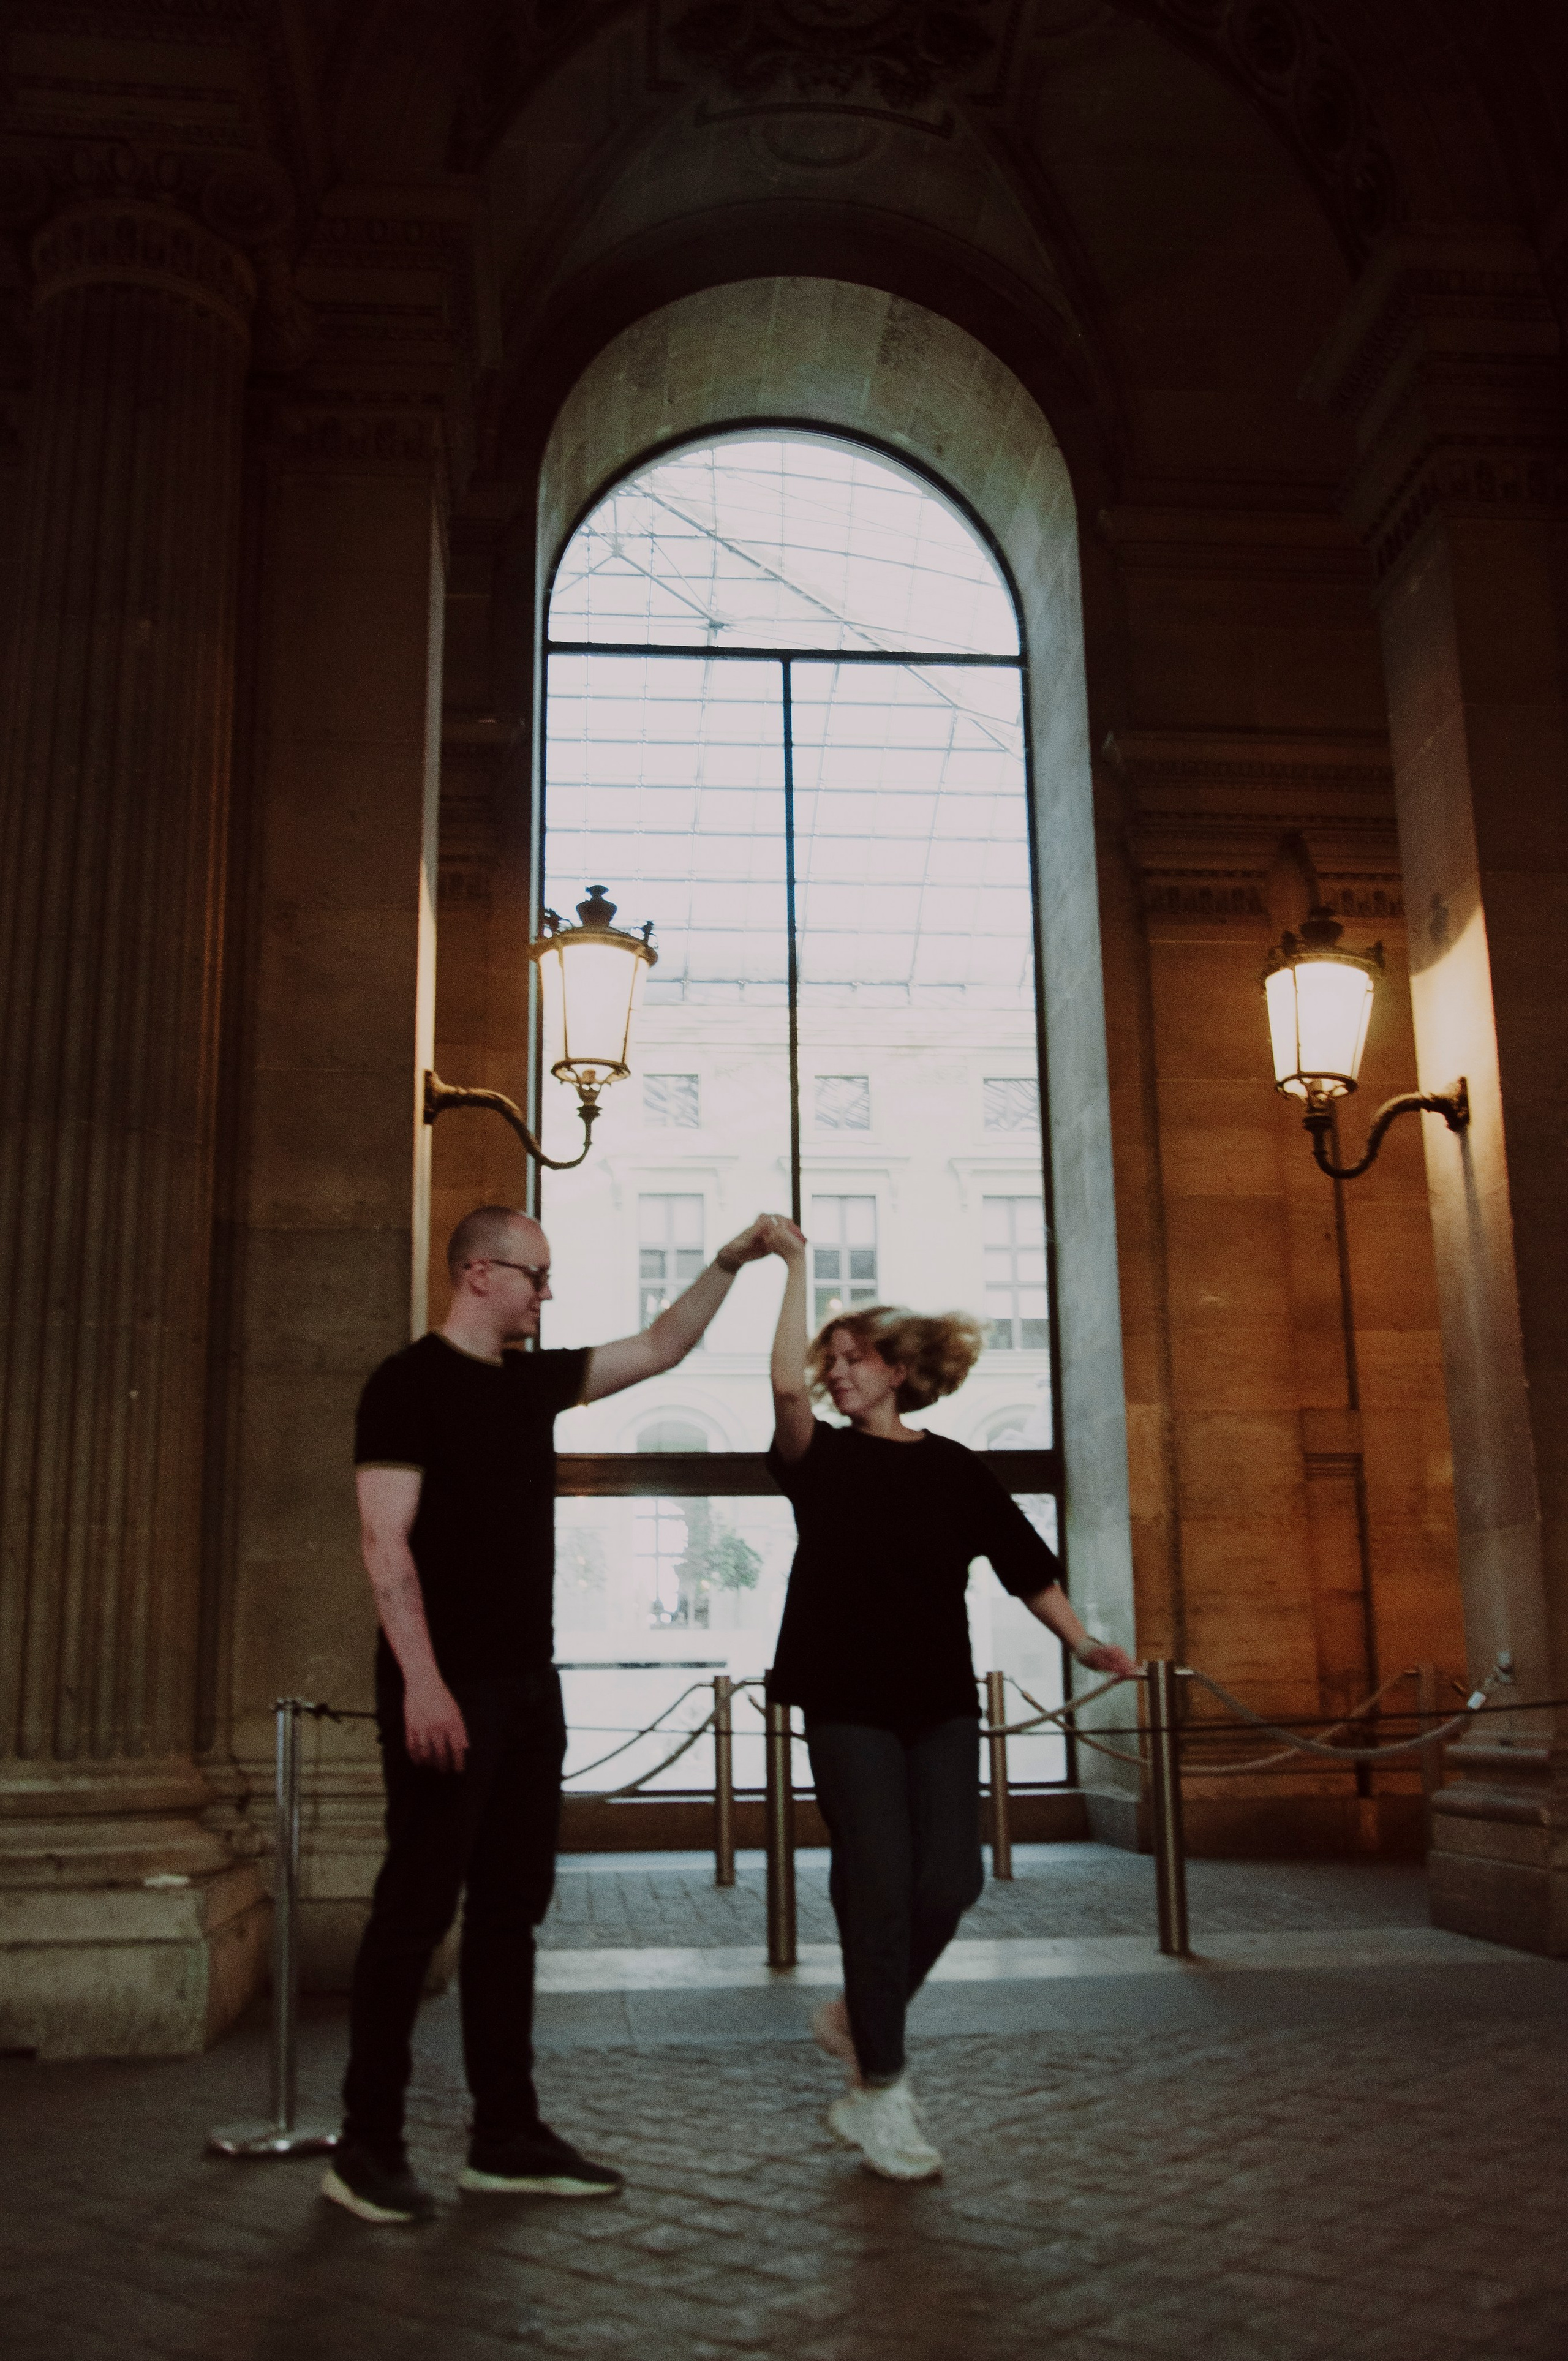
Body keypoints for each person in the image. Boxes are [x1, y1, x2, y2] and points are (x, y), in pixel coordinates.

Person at [323, 1201, 781, 2224]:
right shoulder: (405, 1386)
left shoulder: (531, 1385)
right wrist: (426, 1683)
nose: (546, 1293)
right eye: (535, 1275)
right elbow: (383, 1547)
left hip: (532, 1689)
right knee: (413, 1914)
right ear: (479, 1273)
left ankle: (505, 2136)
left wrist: (728, 1262)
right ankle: (367, 2146)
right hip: (446, 1687)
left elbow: (663, 1347)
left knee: (510, 1916)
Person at [761, 1218, 1138, 2183]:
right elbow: (782, 1389)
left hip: (937, 1702)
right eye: (831, 1359)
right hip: (845, 1701)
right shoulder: (823, 1461)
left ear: (899, 1369)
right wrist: (797, 1267)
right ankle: (879, 2090)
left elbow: (1027, 1571)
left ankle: (858, 2016)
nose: (835, 1373)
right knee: (877, 1885)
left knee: (951, 1886)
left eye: (853, 1359)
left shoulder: (958, 1469)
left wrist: (1086, 1642)